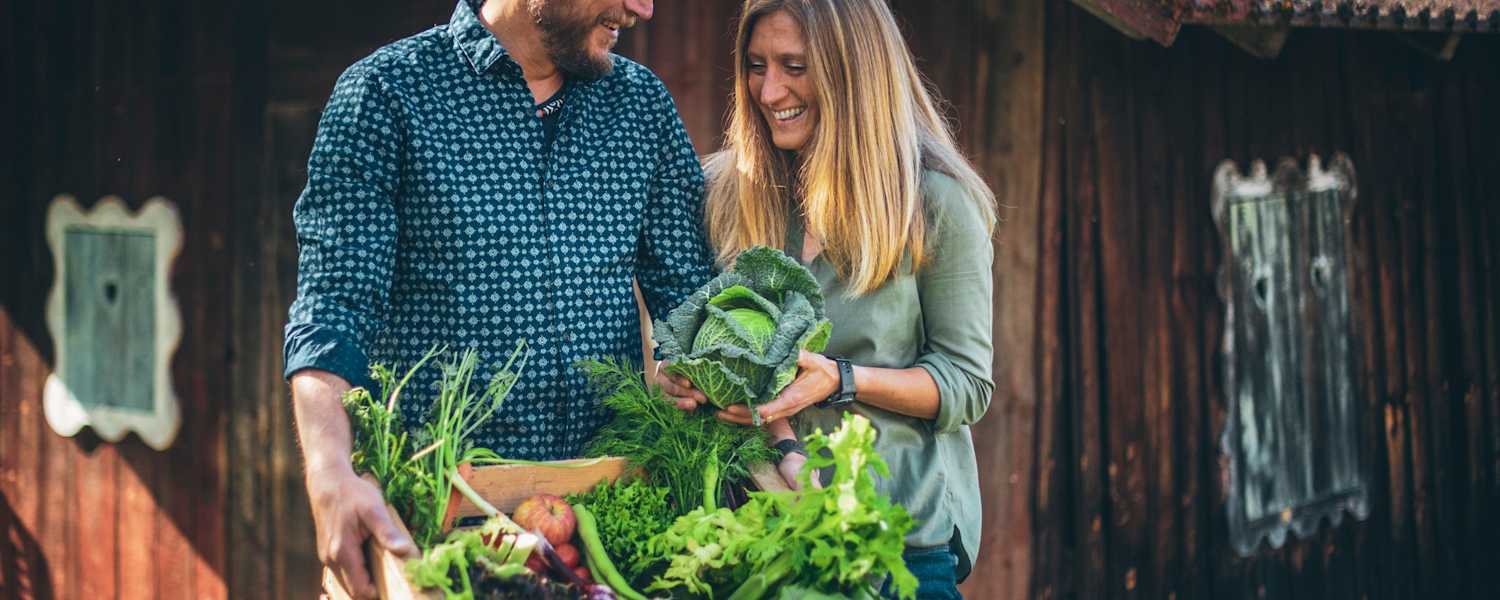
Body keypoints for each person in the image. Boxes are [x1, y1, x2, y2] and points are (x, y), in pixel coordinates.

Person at [282, 0, 714, 597]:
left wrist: (697, 373)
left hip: (597, 545)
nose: (642, 7)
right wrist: (330, 473)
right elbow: (334, 309)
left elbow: (689, 300)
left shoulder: (642, 107)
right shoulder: (386, 94)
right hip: (433, 527)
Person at [655, 0, 997, 597]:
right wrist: (681, 377)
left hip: (894, 541)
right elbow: (694, 330)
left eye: (794, 65)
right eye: (756, 66)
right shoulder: (728, 194)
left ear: (852, 72)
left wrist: (841, 379)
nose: (768, 90)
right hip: (756, 530)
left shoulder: (934, 205)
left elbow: (966, 384)